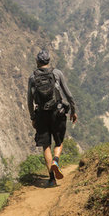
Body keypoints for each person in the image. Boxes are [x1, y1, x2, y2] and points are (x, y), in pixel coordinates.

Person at [27, 50, 77, 187]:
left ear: (37, 62)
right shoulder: (57, 73)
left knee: (46, 145)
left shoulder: (32, 77)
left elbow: (29, 101)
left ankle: (51, 178)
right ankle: (56, 160)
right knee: (59, 142)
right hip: (58, 112)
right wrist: (73, 110)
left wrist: (33, 117)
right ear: (49, 61)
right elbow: (68, 94)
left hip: (42, 114)